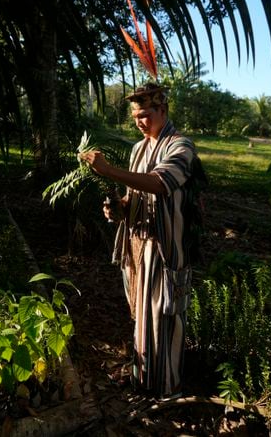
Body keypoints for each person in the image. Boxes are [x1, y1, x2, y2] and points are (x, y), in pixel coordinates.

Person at [80, 82, 203, 400]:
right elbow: (134, 196)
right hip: (136, 246)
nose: (140, 121)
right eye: (135, 115)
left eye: (146, 114)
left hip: (165, 249)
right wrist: (119, 207)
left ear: (163, 110)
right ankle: (143, 383)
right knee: (141, 320)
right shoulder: (138, 149)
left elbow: (161, 183)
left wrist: (109, 170)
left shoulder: (181, 147)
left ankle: (168, 389)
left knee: (165, 316)